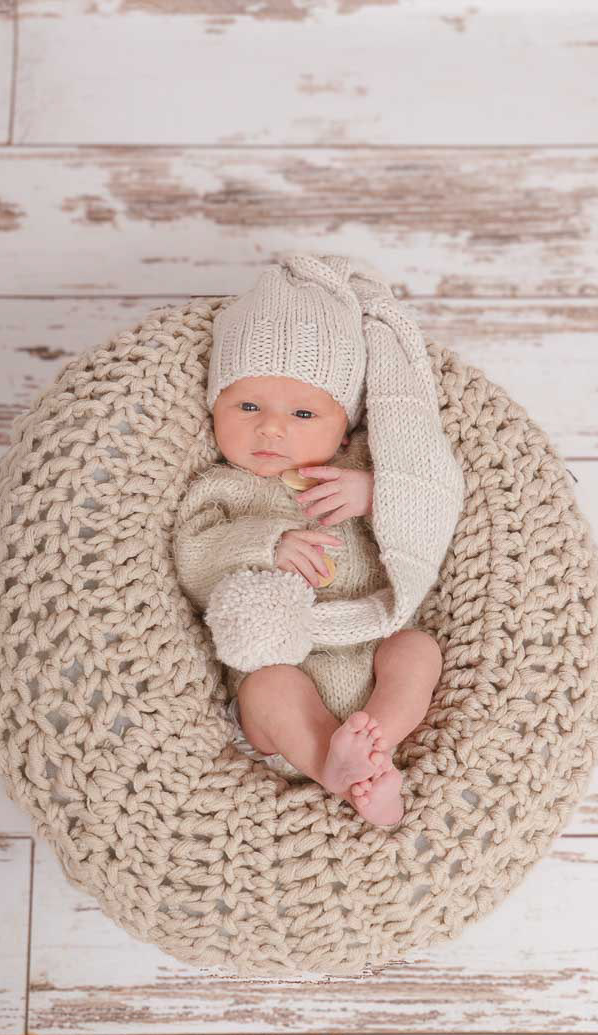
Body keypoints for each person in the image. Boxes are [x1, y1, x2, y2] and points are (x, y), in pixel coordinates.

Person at [173, 252, 464, 829]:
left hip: (369, 644)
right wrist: (265, 543)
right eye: (247, 406)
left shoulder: (362, 466)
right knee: (268, 688)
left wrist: (378, 494)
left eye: (304, 414)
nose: (271, 427)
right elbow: (193, 558)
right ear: (214, 407)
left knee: (417, 651)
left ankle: (376, 745)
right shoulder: (220, 489)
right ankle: (335, 767)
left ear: (345, 426)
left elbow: (433, 499)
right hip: (288, 668)